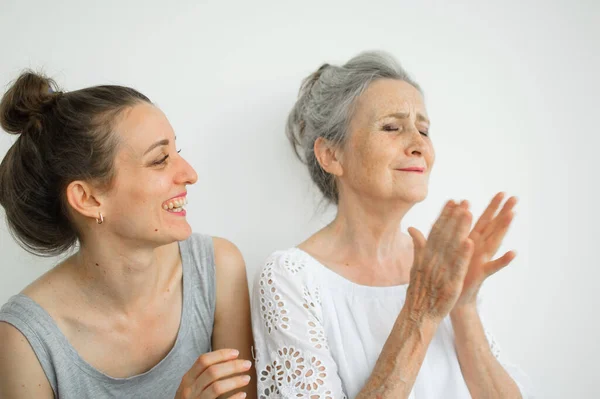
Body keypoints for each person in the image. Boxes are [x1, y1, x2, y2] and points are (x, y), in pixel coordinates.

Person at [251, 51, 533, 398]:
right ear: (331, 155)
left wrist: (462, 305)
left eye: (424, 129)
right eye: (391, 127)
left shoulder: (442, 267)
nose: (419, 145)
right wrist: (421, 312)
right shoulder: (290, 278)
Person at [0, 72, 256, 399]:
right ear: (88, 199)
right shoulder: (25, 338)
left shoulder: (218, 269)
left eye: (178, 151)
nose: (190, 174)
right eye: (160, 160)